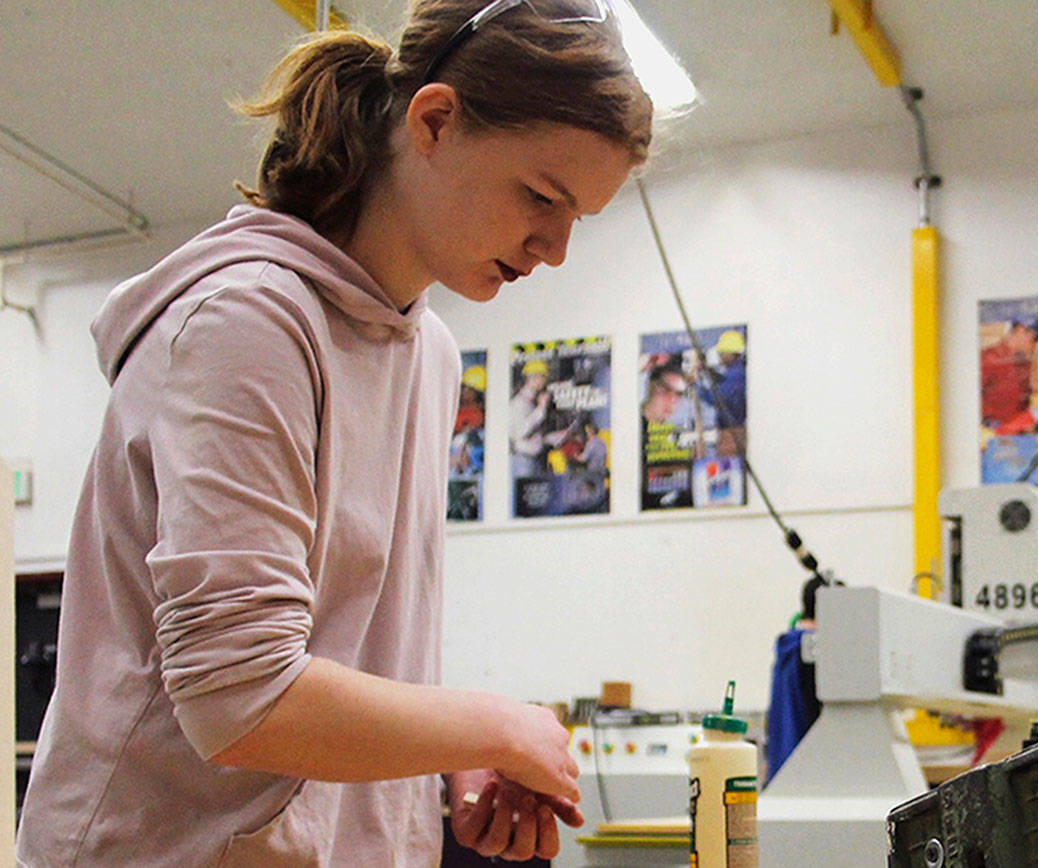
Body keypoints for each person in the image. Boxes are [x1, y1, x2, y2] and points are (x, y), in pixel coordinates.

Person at [16, 1, 652, 865]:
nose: (554, 248)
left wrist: (446, 762)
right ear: (433, 121)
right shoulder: (247, 320)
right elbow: (240, 694)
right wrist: (499, 725)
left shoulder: (428, 353)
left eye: (580, 217)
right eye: (542, 196)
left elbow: (350, 652)